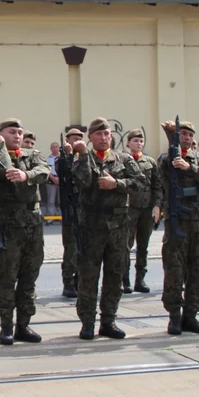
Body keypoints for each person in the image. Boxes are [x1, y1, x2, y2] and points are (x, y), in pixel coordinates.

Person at [0, 118, 50, 345]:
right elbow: (4, 172)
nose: (18, 136)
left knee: (29, 277)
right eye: (12, 132)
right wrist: (0, 147)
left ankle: (24, 324)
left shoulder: (33, 156)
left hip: (33, 225)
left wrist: (26, 175)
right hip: (9, 225)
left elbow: (44, 172)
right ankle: (6, 327)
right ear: (0, 134)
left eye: (20, 132)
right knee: (7, 278)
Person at [72, 117, 136, 340]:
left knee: (114, 276)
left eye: (106, 134)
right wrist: (81, 155)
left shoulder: (124, 159)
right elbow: (82, 181)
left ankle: (109, 321)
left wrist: (116, 184)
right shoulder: (82, 158)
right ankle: (87, 323)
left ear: (112, 136)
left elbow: (140, 184)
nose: (103, 137)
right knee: (88, 277)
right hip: (91, 227)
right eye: (98, 134)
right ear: (90, 138)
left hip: (118, 228)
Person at [157, 119, 199, 335]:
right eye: (182, 134)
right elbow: (161, 173)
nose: (187, 137)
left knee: (198, 269)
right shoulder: (167, 159)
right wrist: (172, 147)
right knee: (174, 269)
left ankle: (191, 315)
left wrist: (189, 167)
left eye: (189, 135)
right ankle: (174, 316)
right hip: (178, 220)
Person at [122, 129, 160, 294]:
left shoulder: (150, 162)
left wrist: (157, 206)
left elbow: (157, 186)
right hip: (129, 209)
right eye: (135, 140)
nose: (138, 143)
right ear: (128, 143)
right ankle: (125, 280)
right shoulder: (123, 161)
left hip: (146, 209)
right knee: (125, 246)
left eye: (141, 141)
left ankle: (140, 279)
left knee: (143, 246)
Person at [59, 128, 84, 299]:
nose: (77, 142)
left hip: (86, 210)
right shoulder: (61, 159)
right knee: (71, 249)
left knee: (84, 248)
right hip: (70, 211)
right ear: (67, 140)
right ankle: (68, 283)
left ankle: (79, 282)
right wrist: (68, 155)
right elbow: (65, 174)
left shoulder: (84, 158)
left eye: (80, 139)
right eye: (74, 139)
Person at [45, 141, 61, 218]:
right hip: (51, 179)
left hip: (61, 180)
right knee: (51, 200)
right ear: (51, 149)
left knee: (61, 200)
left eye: (56, 146)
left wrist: (59, 178)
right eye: (53, 147)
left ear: (59, 148)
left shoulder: (63, 158)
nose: (55, 148)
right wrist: (53, 178)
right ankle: (50, 217)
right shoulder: (48, 159)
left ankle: (61, 216)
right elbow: (47, 170)